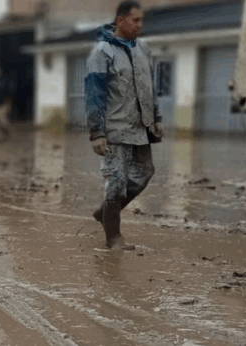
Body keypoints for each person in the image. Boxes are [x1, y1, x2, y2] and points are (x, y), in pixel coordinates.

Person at [85, 1, 163, 249]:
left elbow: (149, 88)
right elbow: (94, 95)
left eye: (141, 20)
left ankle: (105, 214)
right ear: (120, 21)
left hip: (140, 128)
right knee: (116, 182)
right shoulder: (102, 52)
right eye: (135, 20)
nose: (140, 25)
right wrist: (97, 133)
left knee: (144, 174)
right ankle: (113, 238)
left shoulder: (142, 49)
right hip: (114, 130)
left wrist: (156, 119)